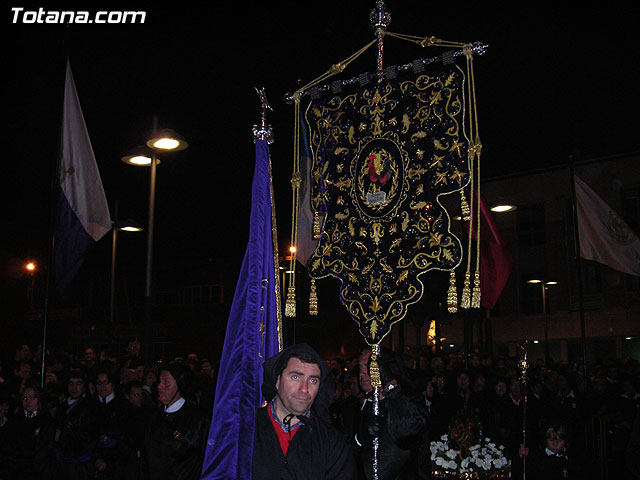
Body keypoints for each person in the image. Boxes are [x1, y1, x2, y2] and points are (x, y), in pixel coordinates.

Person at [252, 343, 356, 480]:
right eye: (296, 377)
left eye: (313, 380)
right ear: (277, 381)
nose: (304, 389)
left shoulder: (332, 442)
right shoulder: (245, 429)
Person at [141, 363, 207, 480]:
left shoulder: (196, 418)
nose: (159, 386)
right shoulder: (153, 416)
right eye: (159, 381)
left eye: (166, 382)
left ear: (180, 385)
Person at [0, 385, 56, 479]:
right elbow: (5, 442)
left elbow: (43, 449)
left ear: (39, 400)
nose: (28, 402)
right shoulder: (15, 420)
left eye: (32, 398)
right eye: (24, 398)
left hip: (36, 471)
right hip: (14, 470)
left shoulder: (46, 421)